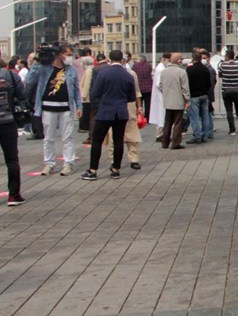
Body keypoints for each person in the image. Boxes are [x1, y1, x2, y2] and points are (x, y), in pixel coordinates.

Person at [25, 44, 82, 176]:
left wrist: (79, 106)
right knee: (48, 138)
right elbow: (29, 81)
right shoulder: (44, 69)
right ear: (59, 54)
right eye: (67, 54)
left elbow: (76, 90)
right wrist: (36, 62)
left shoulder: (71, 70)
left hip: (66, 108)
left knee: (68, 137)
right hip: (48, 107)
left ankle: (68, 163)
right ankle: (49, 163)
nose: (69, 57)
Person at [82, 50, 136, 181]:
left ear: (109, 59)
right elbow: (131, 97)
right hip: (121, 112)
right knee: (118, 141)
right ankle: (116, 169)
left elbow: (95, 92)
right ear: (122, 59)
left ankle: (93, 170)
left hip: (105, 111)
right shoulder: (128, 75)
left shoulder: (103, 73)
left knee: (97, 140)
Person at [0, 60, 26, 205]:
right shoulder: (10, 74)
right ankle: (13, 195)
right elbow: (22, 94)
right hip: (7, 121)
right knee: (12, 160)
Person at [159, 53, 190, 149]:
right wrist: (187, 99)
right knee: (178, 122)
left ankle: (165, 142)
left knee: (167, 122)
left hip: (167, 100)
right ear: (179, 61)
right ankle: (176, 143)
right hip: (178, 100)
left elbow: (160, 85)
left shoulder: (164, 72)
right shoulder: (181, 72)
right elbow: (185, 88)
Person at [185, 48, 212, 144]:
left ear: (193, 58)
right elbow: (209, 83)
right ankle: (205, 135)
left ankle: (197, 136)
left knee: (194, 116)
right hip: (204, 94)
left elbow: (187, 83)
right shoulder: (205, 69)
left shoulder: (190, 69)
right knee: (205, 116)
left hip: (194, 95)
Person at [218, 50, 238, 135]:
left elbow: (220, 75)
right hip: (237, 90)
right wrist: (237, 78)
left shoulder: (223, 65)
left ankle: (232, 130)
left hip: (226, 90)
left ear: (227, 56)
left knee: (229, 111)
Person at [149, 52, 170, 142]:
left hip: (160, 95)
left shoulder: (161, 68)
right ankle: (161, 135)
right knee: (162, 114)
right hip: (161, 95)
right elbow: (159, 84)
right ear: (165, 59)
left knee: (160, 114)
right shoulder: (161, 69)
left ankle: (161, 134)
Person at [131, 54, 153, 120]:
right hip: (148, 88)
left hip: (139, 88)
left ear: (140, 59)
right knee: (148, 104)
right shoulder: (149, 66)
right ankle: (147, 117)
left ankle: (139, 117)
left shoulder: (135, 66)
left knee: (139, 104)